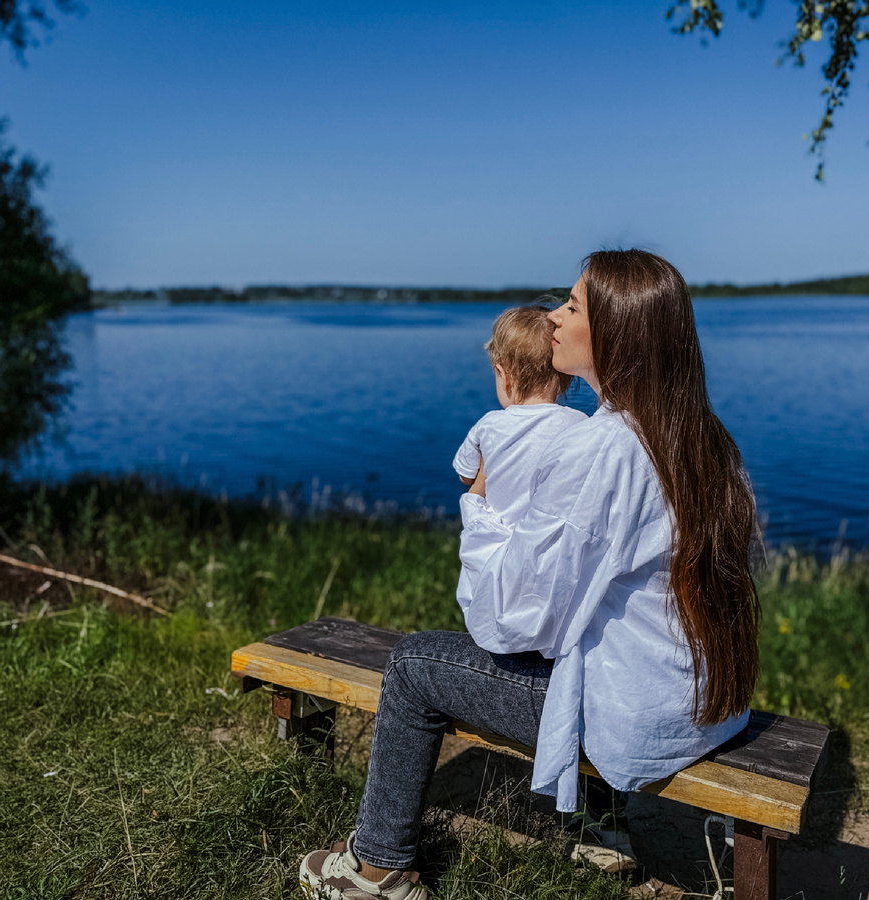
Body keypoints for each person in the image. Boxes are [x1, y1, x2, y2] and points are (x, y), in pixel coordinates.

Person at [299, 250, 762, 900]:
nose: (554, 318)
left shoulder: (605, 449)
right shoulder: (700, 436)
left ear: (616, 331)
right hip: (708, 703)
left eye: (572, 306)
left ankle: (377, 870)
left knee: (413, 665)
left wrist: (481, 506)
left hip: (636, 717)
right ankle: (603, 830)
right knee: (593, 635)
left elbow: (513, 623)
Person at [451, 304, 586, 614]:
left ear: (503, 375)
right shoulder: (579, 424)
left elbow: (466, 476)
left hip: (495, 556)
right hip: (550, 563)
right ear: (566, 377)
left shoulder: (489, 426)